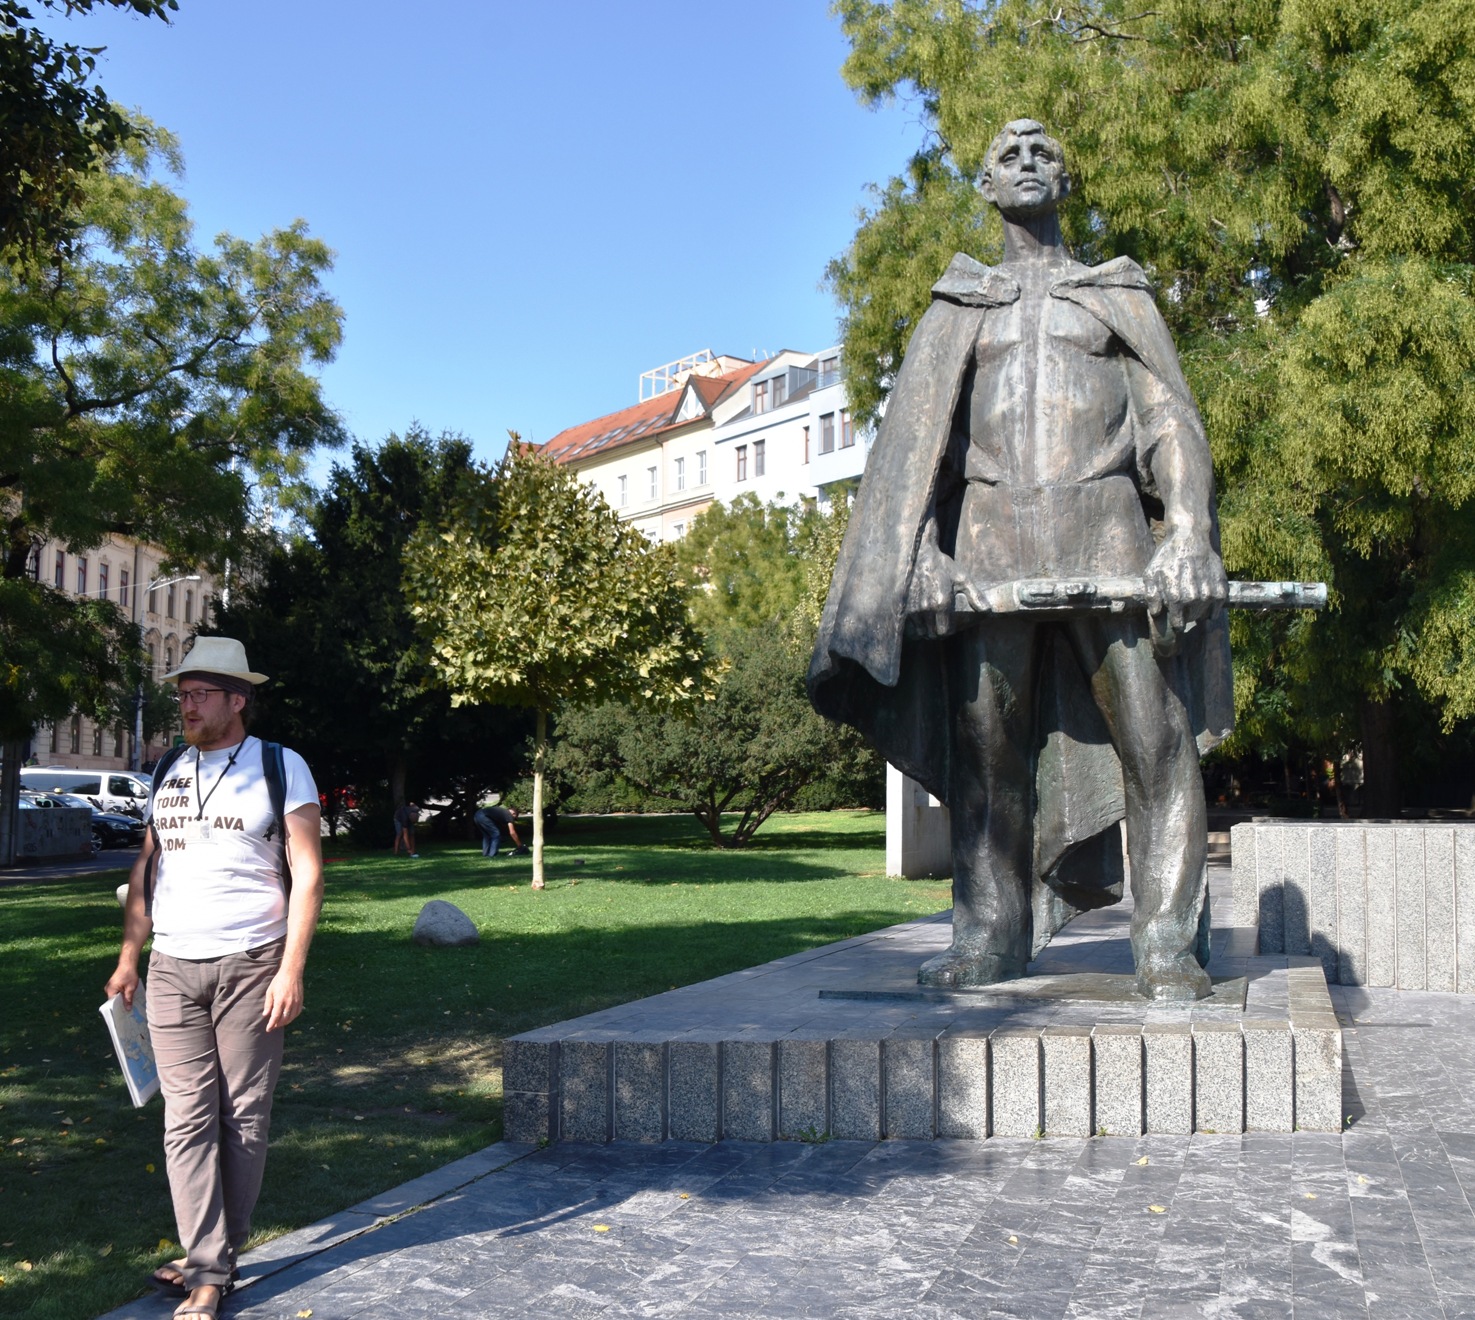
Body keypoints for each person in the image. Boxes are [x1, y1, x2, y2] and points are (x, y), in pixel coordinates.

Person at [809, 120, 1233, 1002]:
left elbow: (1167, 422)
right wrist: (919, 551)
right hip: (987, 540)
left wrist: (1188, 530)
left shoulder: (1113, 293)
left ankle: (1165, 945)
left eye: (1043, 154)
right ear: (986, 186)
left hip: (1108, 529)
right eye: (1009, 156)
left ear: (1065, 181)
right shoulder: (960, 306)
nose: (1028, 163)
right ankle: (989, 936)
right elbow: (917, 450)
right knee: (985, 749)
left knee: (1155, 741)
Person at [103, 636, 324, 1320]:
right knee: (186, 1119)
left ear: (237, 700)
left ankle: (212, 1263)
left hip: (253, 962)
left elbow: (309, 873)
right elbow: (149, 868)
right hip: (172, 965)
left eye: (199, 695)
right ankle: (208, 1264)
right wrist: (129, 955)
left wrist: (291, 969)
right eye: (182, 695)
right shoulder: (169, 767)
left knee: (243, 1117)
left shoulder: (281, 767)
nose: (187, 707)